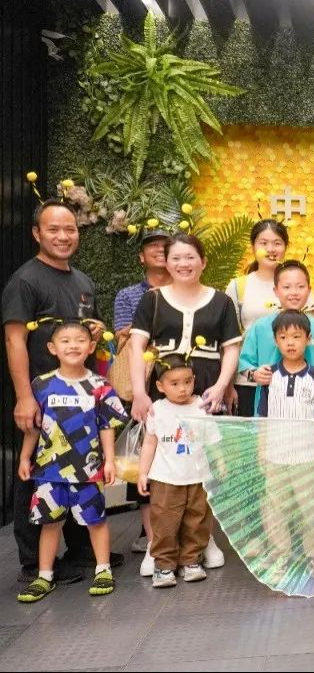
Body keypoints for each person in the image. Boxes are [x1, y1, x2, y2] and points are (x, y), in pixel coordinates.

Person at [2, 199, 117, 585]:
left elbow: (86, 333)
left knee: (80, 469)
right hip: (42, 399)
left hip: (81, 400)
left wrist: (97, 331)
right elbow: (15, 340)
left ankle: (82, 551)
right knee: (36, 473)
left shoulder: (83, 281)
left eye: (70, 229)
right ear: (37, 233)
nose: (63, 236)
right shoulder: (25, 281)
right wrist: (24, 397)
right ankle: (33, 562)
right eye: (53, 229)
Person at [128, 233, 240, 572]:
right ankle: (157, 544)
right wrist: (140, 392)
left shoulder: (221, 301)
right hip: (164, 387)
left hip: (205, 387)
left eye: (190, 257)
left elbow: (231, 348)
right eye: (176, 257)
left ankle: (204, 539)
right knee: (162, 461)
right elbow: (137, 346)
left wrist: (220, 386)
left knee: (203, 461)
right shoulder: (152, 300)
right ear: (166, 262)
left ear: (202, 261)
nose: (183, 264)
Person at [16, 320, 128, 602]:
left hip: (88, 470)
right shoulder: (41, 385)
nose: (73, 346)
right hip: (49, 471)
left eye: (80, 340)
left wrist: (109, 460)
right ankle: (44, 576)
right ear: (52, 348)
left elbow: (106, 425)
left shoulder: (99, 386)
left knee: (95, 520)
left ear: (91, 346)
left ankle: (103, 570)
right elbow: (34, 427)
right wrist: (25, 457)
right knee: (50, 523)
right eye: (65, 341)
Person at [256, 310, 314, 581]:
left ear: (308, 339)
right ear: (275, 340)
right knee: (275, 508)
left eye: (296, 336)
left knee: (312, 507)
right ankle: (280, 555)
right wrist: (261, 450)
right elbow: (263, 417)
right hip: (276, 454)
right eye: (283, 337)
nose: (290, 342)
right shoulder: (269, 378)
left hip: (307, 455)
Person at [112, 227, 172, 558]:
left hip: (180, 382)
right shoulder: (128, 295)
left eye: (166, 246)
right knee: (144, 455)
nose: (160, 251)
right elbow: (124, 336)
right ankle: (150, 537)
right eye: (153, 247)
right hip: (145, 384)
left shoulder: (185, 288)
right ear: (141, 257)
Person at [137, 353, 220, 588]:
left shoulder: (201, 407)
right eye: (174, 383)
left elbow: (213, 441)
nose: (183, 389)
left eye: (188, 381)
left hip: (198, 477)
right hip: (165, 479)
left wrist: (219, 466)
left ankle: (191, 561)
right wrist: (143, 473)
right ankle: (164, 565)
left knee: (197, 521)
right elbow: (150, 443)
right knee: (165, 522)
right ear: (160, 386)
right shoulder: (157, 409)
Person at [238, 261, 314, 415]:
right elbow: (245, 363)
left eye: (300, 286)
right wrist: (254, 374)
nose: (294, 292)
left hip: (310, 414)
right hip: (268, 413)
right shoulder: (261, 327)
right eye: (286, 287)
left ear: (309, 290)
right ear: (276, 290)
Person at [224, 219, 291, 418]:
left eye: (277, 243)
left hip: (291, 380)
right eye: (263, 243)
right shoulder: (238, 286)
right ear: (253, 246)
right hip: (248, 380)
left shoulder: (296, 282)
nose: (271, 249)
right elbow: (229, 339)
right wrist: (228, 385)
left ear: (285, 247)